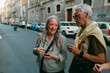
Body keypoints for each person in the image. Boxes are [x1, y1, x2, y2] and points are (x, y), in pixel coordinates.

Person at [67, 3, 107, 73]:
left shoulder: (94, 32)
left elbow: (101, 59)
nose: (75, 18)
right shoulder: (82, 30)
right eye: (74, 16)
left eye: (77, 15)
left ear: (86, 14)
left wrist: (79, 52)